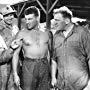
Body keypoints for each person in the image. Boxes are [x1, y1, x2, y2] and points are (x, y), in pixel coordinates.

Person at [12, 6, 52, 90]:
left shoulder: (47, 33)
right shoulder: (21, 34)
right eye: (26, 19)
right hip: (29, 65)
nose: (27, 22)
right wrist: (15, 74)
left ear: (37, 18)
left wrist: (52, 74)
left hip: (44, 65)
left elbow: (52, 54)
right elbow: (15, 55)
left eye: (30, 19)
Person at [51, 6, 90, 90]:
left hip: (80, 86)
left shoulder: (83, 33)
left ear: (67, 21)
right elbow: (54, 59)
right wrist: (53, 77)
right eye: (54, 20)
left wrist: (89, 85)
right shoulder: (56, 36)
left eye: (57, 20)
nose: (54, 23)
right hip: (61, 85)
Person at [0, 5, 18, 90]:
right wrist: (11, 48)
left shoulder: (15, 28)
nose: (10, 17)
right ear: (2, 17)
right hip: (3, 67)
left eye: (11, 14)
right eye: (6, 15)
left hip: (15, 65)